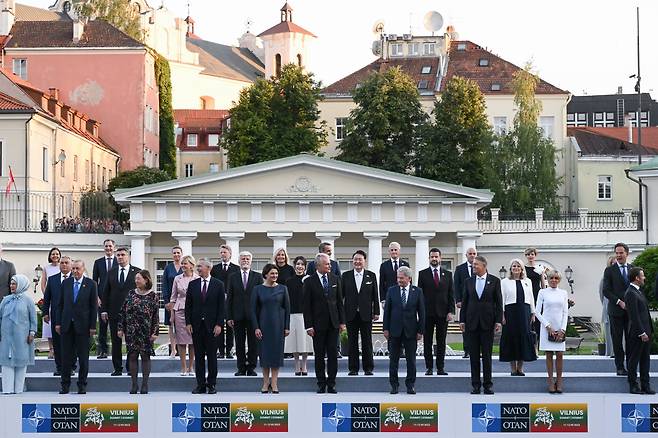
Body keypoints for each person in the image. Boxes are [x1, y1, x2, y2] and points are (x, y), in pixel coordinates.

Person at [459, 255, 502, 395]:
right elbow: (464, 303)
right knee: (474, 356)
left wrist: (498, 321)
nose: (473, 266)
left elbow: (498, 303)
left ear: (484, 265)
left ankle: (488, 385)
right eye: (473, 265)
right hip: (471, 323)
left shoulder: (494, 281)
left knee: (487, 356)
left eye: (476, 264)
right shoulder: (468, 281)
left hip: (487, 323)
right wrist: (462, 320)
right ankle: (475, 385)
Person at [303, 253, 346, 394]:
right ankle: (321, 383)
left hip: (333, 324)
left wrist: (342, 322)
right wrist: (308, 326)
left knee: (333, 354)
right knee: (319, 355)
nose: (330, 266)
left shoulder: (335, 279)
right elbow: (306, 306)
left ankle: (332, 383)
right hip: (317, 325)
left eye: (329, 263)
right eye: (327, 264)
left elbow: (340, 302)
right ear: (318, 265)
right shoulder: (309, 282)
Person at [55, 260, 98, 394]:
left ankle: (82, 385)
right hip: (67, 325)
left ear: (83, 268)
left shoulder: (91, 284)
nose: (75, 271)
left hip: (83, 326)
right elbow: (60, 305)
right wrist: (58, 322)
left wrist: (92, 326)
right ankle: (65, 385)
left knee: (83, 358)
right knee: (66, 357)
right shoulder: (66, 283)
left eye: (77, 268)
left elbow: (93, 307)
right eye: (73, 268)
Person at [185, 259, 225, 394]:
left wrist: (219, 324)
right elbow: (188, 306)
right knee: (199, 357)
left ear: (208, 268)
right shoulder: (193, 284)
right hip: (196, 326)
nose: (198, 269)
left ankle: (211, 384)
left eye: (200, 266)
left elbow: (221, 307)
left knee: (212, 357)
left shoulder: (218, 285)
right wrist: (188, 323)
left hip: (212, 327)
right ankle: (200, 384)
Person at [383, 266, 425, 395]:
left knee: (411, 360)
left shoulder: (417, 291)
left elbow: (422, 312)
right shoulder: (392, 290)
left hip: (411, 331)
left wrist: (420, 331)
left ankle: (410, 385)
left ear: (409, 278)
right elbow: (387, 312)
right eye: (398, 277)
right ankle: (394, 385)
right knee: (393, 360)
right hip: (394, 331)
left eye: (401, 278)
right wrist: (385, 328)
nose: (399, 280)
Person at [117, 270, 159, 394]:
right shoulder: (130, 293)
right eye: (136, 278)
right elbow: (122, 312)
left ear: (146, 280)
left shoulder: (153, 296)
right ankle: (134, 385)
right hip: (132, 330)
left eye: (139, 278)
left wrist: (155, 332)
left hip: (146, 331)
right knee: (133, 356)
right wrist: (120, 328)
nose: (136, 281)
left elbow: (155, 316)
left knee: (145, 356)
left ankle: (145, 384)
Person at [101, 247, 140, 376]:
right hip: (114, 312)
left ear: (128, 256)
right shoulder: (111, 272)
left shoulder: (137, 272)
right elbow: (105, 292)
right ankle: (117, 368)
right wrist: (104, 310)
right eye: (118, 255)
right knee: (115, 341)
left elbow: (140, 292)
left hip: (131, 313)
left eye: (123, 255)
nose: (120, 257)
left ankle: (130, 367)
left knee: (131, 341)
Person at [251, 264, 290, 393]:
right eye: (272, 273)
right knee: (265, 355)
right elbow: (253, 310)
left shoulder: (283, 288)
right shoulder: (257, 289)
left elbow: (287, 308)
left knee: (276, 355)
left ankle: (274, 383)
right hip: (263, 326)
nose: (274, 276)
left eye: (276, 274)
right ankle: (265, 383)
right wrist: (256, 327)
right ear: (266, 274)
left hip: (278, 327)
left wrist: (286, 327)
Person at [342, 250, 379, 376]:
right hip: (350, 313)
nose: (357, 262)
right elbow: (341, 296)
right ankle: (353, 368)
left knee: (367, 341)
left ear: (364, 261)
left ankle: (368, 368)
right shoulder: (346, 276)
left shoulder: (371, 275)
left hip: (366, 313)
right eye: (355, 259)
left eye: (360, 259)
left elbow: (375, 295)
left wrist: (376, 312)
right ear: (352, 261)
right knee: (352, 341)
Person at [418, 248, 454, 376]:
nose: (434, 259)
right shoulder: (422, 274)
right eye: (432, 257)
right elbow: (419, 295)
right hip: (427, 313)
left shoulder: (448, 274)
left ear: (440, 258)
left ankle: (440, 368)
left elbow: (451, 294)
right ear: (429, 258)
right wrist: (419, 312)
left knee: (441, 341)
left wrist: (451, 311)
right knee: (427, 341)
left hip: (443, 313)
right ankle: (429, 368)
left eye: (436, 257)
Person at [226, 251, 262, 376]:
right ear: (239, 261)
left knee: (253, 343)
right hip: (237, 315)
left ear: (251, 261)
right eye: (243, 259)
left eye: (247, 259)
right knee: (239, 343)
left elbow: (260, 298)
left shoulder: (257, 277)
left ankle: (251, 367)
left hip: (253, 316)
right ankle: (241, 367)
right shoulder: (233, 277)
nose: (245, 261)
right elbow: (229, 297)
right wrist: (229, 316)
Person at [0, 275, 37, 394]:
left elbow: (33, 319)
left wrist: (32, 332)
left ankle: (18, 389)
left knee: (21, 362)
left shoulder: (28, 301)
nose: (11, 286)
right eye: (11, 283)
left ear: (21, 285)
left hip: (22, 337)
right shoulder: (6, 300)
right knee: (7, 362)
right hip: (6, 336)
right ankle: (7, 389)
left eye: (14, 284)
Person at [499, 258, 537, 375]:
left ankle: (520, 367)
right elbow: (502, 299)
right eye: (514, 266)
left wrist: (533, 312)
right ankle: (512, 367)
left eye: (518, 266)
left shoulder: (527, 281)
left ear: (522, 269)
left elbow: (531, 297)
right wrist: (502, 314)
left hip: (524, 311)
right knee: (511, 337)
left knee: (523, 337)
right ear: (511, 268)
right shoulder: (504, 281)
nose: (516, 268)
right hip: (510, 312)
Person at [535, 270, 569, 394]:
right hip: (546, 327)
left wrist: (563, 329)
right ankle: (550, 380)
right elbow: (537, 312)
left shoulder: (563, 293)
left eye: (556, 278)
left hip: (560, 327)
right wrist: (547, 326)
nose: (553, 280)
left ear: (559, 280)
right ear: (548, 279)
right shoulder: (542, 292)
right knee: (549, 354)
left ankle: (559, 381)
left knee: (560, 354)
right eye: (551, 278)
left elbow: (565, 312)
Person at [602, 242, 633, 376]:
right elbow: (606, 291)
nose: (619, 255)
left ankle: (631, 366)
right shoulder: (609, 270)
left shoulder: (633, 269)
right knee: (617, 339)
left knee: (631, 339)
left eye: (621, 253)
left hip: (631, 312)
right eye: (617, 253)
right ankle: (620, 367)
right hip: (616, 311)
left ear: (627, 253)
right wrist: (619, 302)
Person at [625, 267, 655, 394]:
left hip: (646, 332)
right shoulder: (630, 293)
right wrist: (641, 332)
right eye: (642, 276)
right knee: (634, 360)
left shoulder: (639, 292)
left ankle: (645, 385)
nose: (644, 278)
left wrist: (648, 331)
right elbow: (634, 316)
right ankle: (633, 386)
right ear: (637, 278)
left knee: (645, 360)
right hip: (638, 333)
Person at [43, 256, 74, 376]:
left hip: (72, 316)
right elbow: (47, 298)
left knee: (71, 343)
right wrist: (45, 313)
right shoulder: (52, 279)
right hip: (56, 316)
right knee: (57, 343)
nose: (64, 265)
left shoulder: (76, 278)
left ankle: (70, 367)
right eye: (62, 263)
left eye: (67, 263)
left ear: (71, 265)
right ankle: (60, 367)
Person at [169, 255, 198, 375]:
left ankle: (191, 367)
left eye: (185, 263)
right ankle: (183, 367)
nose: (182, 266)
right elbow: (173, 297)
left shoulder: (197, 278)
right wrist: (171, 314)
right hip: (180, 311)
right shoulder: (177, 278)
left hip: (194, 311)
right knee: (181, 340)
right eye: (182, 263)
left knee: (192, 340)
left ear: (191, 265)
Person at [284, 256, 313, 376]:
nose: (300, 266)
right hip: (292, 314)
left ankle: (304, 365)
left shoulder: (309, 280)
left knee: (305, 341)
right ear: (294, 266)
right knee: (294, 341)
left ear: (305, 267)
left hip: (306, 314)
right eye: (298, 264)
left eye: (302, 264)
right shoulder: (289, 281)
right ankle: (296, 365)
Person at [210, 244, 239, 359]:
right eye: (221, 252)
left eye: (225, 252)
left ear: (230, 254)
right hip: (218, 301)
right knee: (219, 325)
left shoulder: (236, 268)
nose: (223, 254)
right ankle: (221, 350)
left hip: (232, 302)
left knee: (231, 325)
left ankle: (229, 350)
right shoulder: (215, 269)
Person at [92, 239, 116, 359]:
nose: (108, 248)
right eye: (106, 246)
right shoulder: (98, 262)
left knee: (116, 325)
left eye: (110, 246)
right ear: (104, 248)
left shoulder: (119, 261)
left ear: (114, 247)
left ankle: (116, 350)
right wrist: (96, 297)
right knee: (102, 325)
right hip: (102, 299)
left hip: (115, 298)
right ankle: (103, 350)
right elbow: (94, 281)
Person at [454, 248, 477, 358]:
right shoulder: (460, 269)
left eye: (474, 254)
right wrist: (458, 300)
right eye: (470, 254)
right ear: (466, 255)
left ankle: (478, 350)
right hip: (465, 302)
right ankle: (467, 350)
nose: (472, 255)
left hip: (478, 302)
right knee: (465, 326)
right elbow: (456, 286)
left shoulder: (480, 268)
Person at [161, 246, 183, 358]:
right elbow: (164, 285)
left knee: (182, 326)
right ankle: (173, 350)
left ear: (181, 254)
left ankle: (183, 349)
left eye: (178, 253)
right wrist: (166, 301)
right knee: (171, 325)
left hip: (183, 301)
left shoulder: (185, 267)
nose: (176, 255)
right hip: (171, 301)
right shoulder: (168, 268)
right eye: (174, 253)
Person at [41, 247, 61, 360]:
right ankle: (51, 349)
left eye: (57, 254)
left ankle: (59, 347)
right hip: (50, 300)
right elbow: (43, 284)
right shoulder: (46, 268)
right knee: (49, 324)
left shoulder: (62, 266)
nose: (55, 256)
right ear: (50, 256)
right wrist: (48, 296)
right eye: (53, 254)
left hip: (61, 300)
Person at [524, 247, 546, 347]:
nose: (530, 256)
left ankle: (539, 341)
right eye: (528, 254)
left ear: (535, 255)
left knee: (538, 317)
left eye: (532, 254)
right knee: (528, 317)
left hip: (537, 293)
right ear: (526, 256)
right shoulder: (523, 268)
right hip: (527, 294)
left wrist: (545, 296)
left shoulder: (540, 268)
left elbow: (543, 284)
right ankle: (528, 341)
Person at [379, 242, 409, 307]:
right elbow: (381, 284)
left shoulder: (406, 264)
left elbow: (409, 281)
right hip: (389, 296)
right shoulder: (384, 265)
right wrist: (383, 300)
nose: (394, 252)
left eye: (395, 250)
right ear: (389, 251)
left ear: (399, 251)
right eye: (392, 250)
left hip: (402, 296)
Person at [598, 256, 615, 356]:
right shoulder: (604, 278)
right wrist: (605, 305)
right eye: (612, 263)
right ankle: (610, 352)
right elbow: (601, 294)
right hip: (608, 306)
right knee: (609, 332)